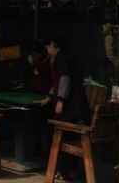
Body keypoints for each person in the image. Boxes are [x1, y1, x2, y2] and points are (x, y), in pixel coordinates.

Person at [36, 35, 89, 181]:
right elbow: (58, 82)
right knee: (70, 136)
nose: (47, 51)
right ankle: (71, 171)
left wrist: (60, 100)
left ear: (52, 44)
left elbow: (65, 78)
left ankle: (64, 172)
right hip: (77, 104)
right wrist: (50, 96)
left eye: (47, 47)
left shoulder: (61, 58)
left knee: (63, 136)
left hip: (71, 105)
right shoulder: (68, 56)